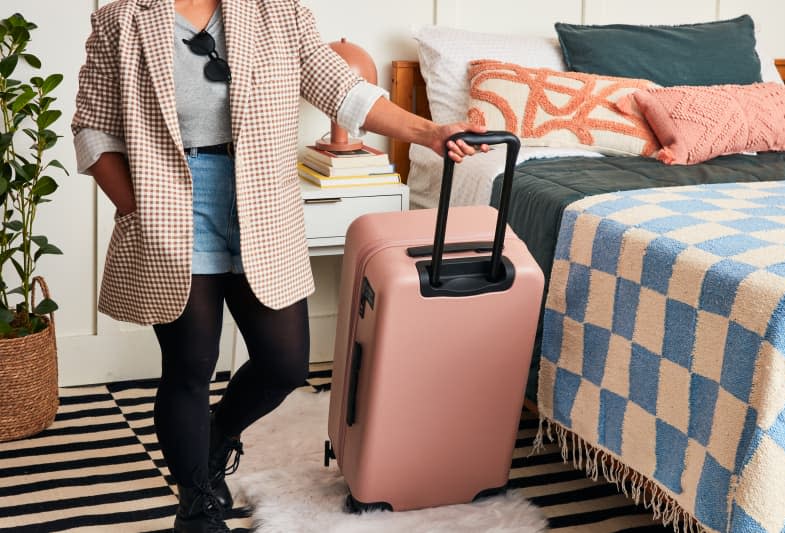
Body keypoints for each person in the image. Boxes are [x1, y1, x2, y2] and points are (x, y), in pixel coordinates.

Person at [73, 0, 487, 531]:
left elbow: (345, 89)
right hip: (172, 202)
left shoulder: (276, 10)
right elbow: (93, 128)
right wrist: (135, 204)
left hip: (260, 203)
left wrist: (428, 133)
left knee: (285, 363)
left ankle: (217, 435)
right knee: (190, 365)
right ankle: (196, 504)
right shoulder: (123, 18)